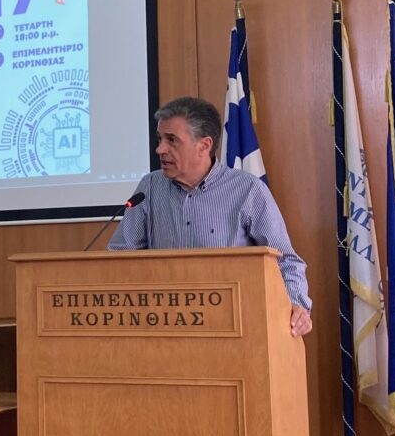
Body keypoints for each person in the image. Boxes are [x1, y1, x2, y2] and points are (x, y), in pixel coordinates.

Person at [108, 96, 312, 337]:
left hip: (234, 326)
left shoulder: (247, 189)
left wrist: (296, 305)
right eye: (160, 139)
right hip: (164, 328)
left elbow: (285, 261)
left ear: (204, 145)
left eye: (171, 140)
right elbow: (120, 258)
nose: (160, 149)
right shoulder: (150, 187)